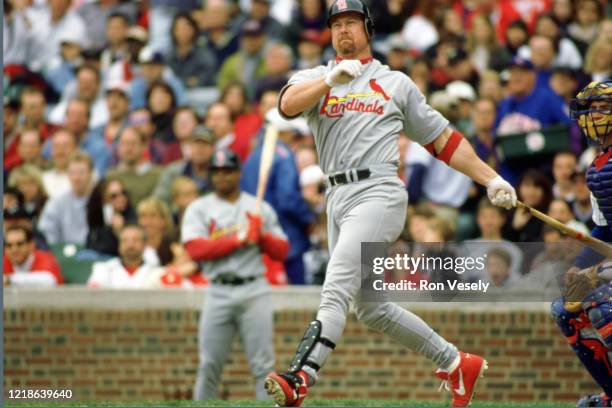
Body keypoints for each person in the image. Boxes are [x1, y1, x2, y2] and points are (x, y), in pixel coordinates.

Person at [263, 1, 517, 407]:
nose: (344, 31)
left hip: (378, 190)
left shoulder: (394, 82)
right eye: (337, 24)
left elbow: (442, 140)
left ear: (367, 29)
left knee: (336, 286)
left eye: (351, 23)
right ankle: (455, 362)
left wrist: (491, 178)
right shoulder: (315, 76)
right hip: (337, 196)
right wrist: (330, 79)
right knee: (371, 309)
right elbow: (286, 106)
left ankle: (300, 376)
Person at [181, 149, 289, 400]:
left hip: (254, 289)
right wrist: (239, 239)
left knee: (263, 365)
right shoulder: (199, 207)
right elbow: (196, 249)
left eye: (227, 171)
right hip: (218, 289)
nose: (222, 177)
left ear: (238, 173)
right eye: (217, 172)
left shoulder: (257, 207)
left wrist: (261, 236)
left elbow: (282, 251)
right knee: (209, 365)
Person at [551, 80, 612, 407]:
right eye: (591, 109)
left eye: (603, 109)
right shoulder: (597, 167)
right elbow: (603, 232)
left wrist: (594, 275)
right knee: (564, 307)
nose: (594, 116)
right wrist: (579, 268)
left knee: (600, 304)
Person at [241, 109, 315, 284]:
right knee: (296, 303)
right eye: (294, 135)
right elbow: (288, 199)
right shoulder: (283, 155)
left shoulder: (253, 155)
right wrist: (308, 219)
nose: (295, 139)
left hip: (260, 238)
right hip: (285, 239)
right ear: (284, 132)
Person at [87, 224, 184, 289]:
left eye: (135, 240)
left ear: (145, 244)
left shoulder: (158, 272)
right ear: (119, 245)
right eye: (125, 240)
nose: (130, 245)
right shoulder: (103, 269)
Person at [37, 151, 93, 246]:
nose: (77, 178)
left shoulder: (100, 200)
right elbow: (46, 233)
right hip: (61, 253)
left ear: (90, 174)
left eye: (81, 173)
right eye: (73, 173)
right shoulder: (56, 202)